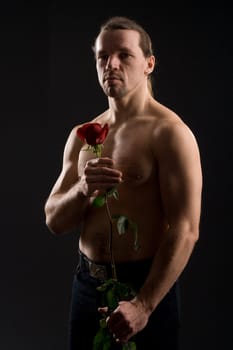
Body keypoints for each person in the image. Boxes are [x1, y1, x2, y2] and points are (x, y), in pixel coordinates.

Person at [44, 16, 203, 350]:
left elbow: (186, 229)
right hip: (87, 284)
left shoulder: (169, 133)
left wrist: (144, 305)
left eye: (124, 55)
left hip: (146, 287)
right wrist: (84, 189)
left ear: (149, 63)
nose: (110, 64)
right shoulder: (83, 135)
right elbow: (54, 220)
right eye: (103, 56)